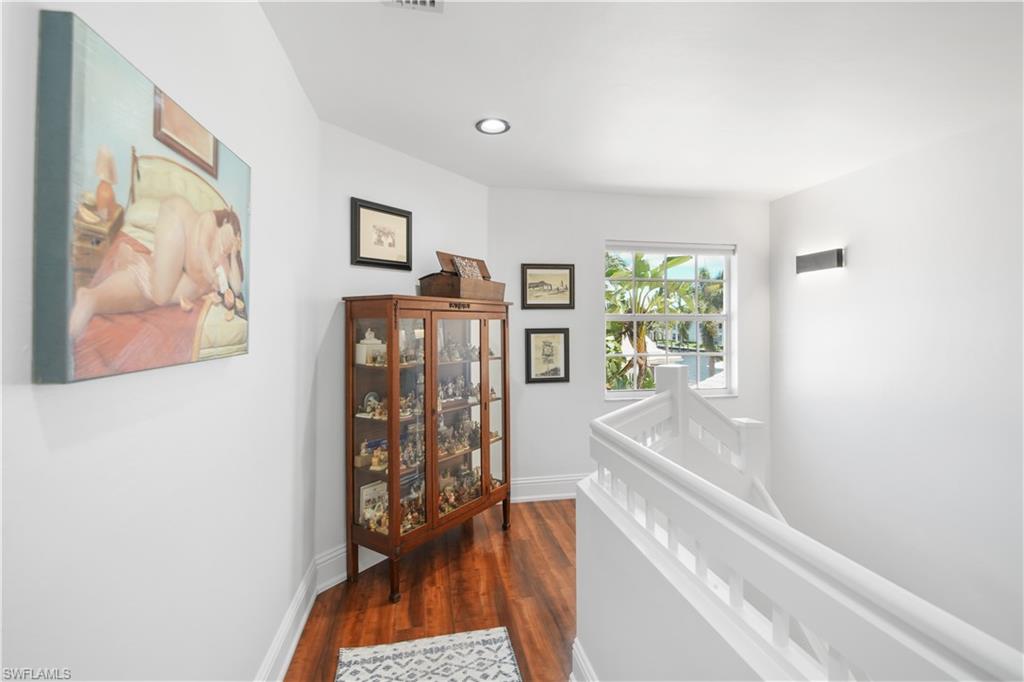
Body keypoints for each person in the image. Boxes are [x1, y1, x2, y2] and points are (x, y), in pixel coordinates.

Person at [68, 196, 243, 339]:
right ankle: (92, 296)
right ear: (226, 222)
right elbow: (202, 250)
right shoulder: (210, 221)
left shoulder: (226, 256)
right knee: (160, 295)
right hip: (176, 221)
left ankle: (108, 283)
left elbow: (235, 288)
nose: (230, 240)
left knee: (159, 293)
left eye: (235, 239)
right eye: (231, 233)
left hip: (184, 265)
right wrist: (212, 277)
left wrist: (234, 255)